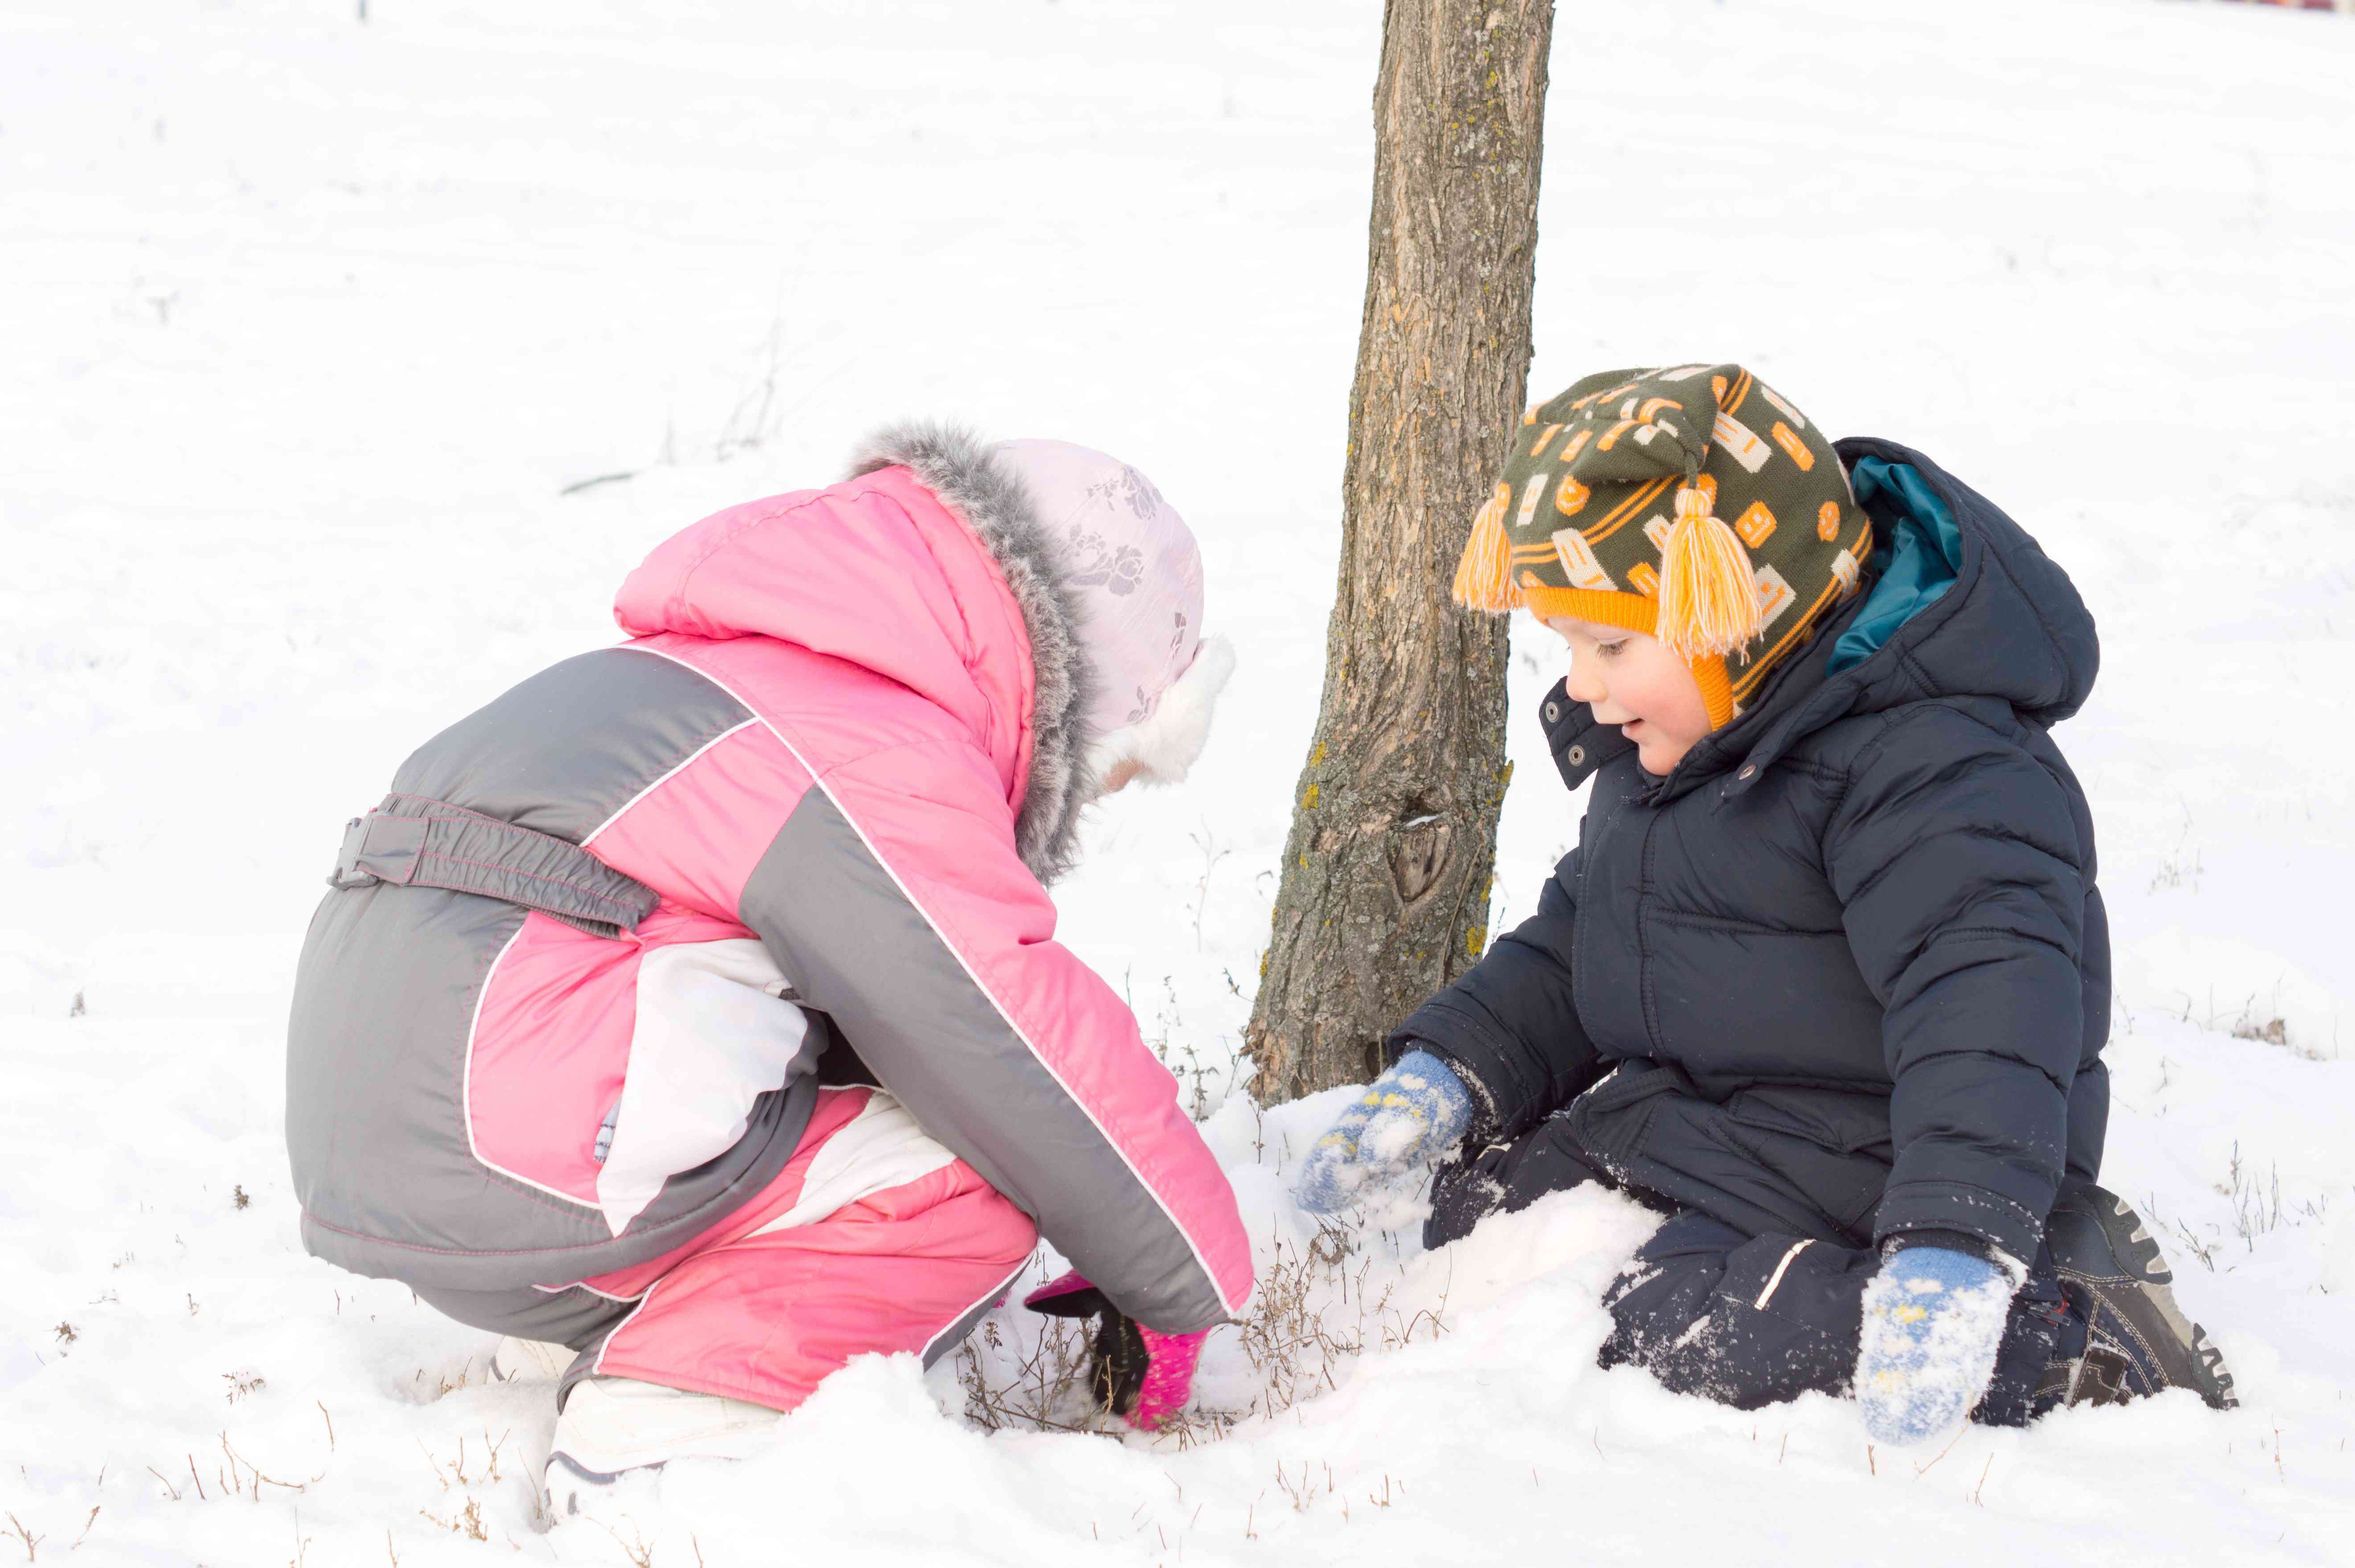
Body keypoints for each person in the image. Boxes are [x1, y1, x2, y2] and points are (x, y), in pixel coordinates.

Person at [285, 423, 1254, 1524]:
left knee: (842, 1051)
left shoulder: (710, 669)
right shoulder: (870, 741)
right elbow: (1002, 1033)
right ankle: (670, 1415)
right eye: (1114, 768)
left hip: (376, 1128)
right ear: (1077, 689)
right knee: (976, 1173)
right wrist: (1181, 1277)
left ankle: (631, 1302)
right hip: (511, 1138)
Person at [1297, 364, 2236, 1444]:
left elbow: (1988, 1011)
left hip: (1878, 1166)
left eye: (1612, 645)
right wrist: (1454, 1070)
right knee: (1480, 1220)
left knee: (1679, 1326)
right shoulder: (1676, 745)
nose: (1583, 685)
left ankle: (2069, 1336)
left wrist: (1952, 1235)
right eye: (1568, 646)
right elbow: (1580, 942)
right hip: (1714, 1137)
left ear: (1740, 615)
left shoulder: (1931, 768)